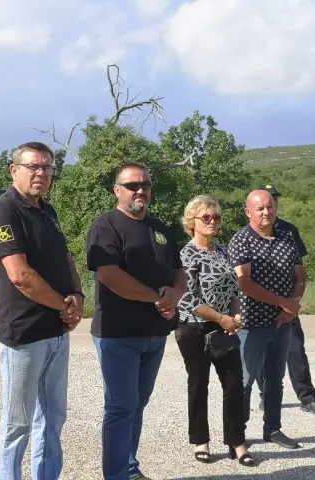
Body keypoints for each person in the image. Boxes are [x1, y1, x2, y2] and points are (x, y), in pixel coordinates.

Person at [0, 141, 83, 480]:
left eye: (47, 167)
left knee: (53, 419)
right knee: (18, 424)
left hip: (56, 331)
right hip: (24, 334)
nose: (41, 173)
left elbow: (66, 258)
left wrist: (77, 295)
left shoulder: (47, 211)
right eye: (33, 167)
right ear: (14, 170)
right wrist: (64, 305)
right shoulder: (4, 211)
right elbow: (20, 275)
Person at [86, 162, 186, 480]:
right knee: (121, 407)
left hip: (155, 334)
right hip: (118, 334)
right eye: (132, 185)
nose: (140, 190)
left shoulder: (161, 229)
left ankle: (129, 469)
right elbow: (110, 276)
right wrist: (156, 298)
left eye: (145, 185)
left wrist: (174, 294)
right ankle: (117, 475)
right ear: (117, 190)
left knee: (138, 404)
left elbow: (179, 272)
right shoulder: (106, 227)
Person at [175, 195, 254, 467]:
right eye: (205, 217)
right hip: (194, 328)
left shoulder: (222, 251)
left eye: (216, 217)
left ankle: (237, 442)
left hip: (224, 327)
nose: (212, 221)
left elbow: (234, 290)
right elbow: (187, 297)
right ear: (192, 222)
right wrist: (221, 318)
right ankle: (201, 441)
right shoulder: (186, 254)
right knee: (199, 384)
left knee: (234, 384)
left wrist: (235, 315)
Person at [228, 190, 305, 450]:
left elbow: (300, 275)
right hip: (251, 324)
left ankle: (273, 428)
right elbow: (244, 283)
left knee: (275, 379)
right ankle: (237, 434)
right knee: (245, 380)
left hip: (282, 323)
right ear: (248, 212)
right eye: (259, 208)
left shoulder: (286, 238)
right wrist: (282, 302)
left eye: (270, 206)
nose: (266, 212)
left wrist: (292, 305)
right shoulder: (242, 240)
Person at [254, 184, 315, 417]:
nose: (271, 205)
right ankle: (266, 395)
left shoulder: (288, 231)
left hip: (288, 305)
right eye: (267, 201)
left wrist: (294, 303)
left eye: (274, 201)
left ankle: (307, 398)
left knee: (296, 351)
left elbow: (300, 272)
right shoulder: (248, 232)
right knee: (261, 353)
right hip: (259, 305)